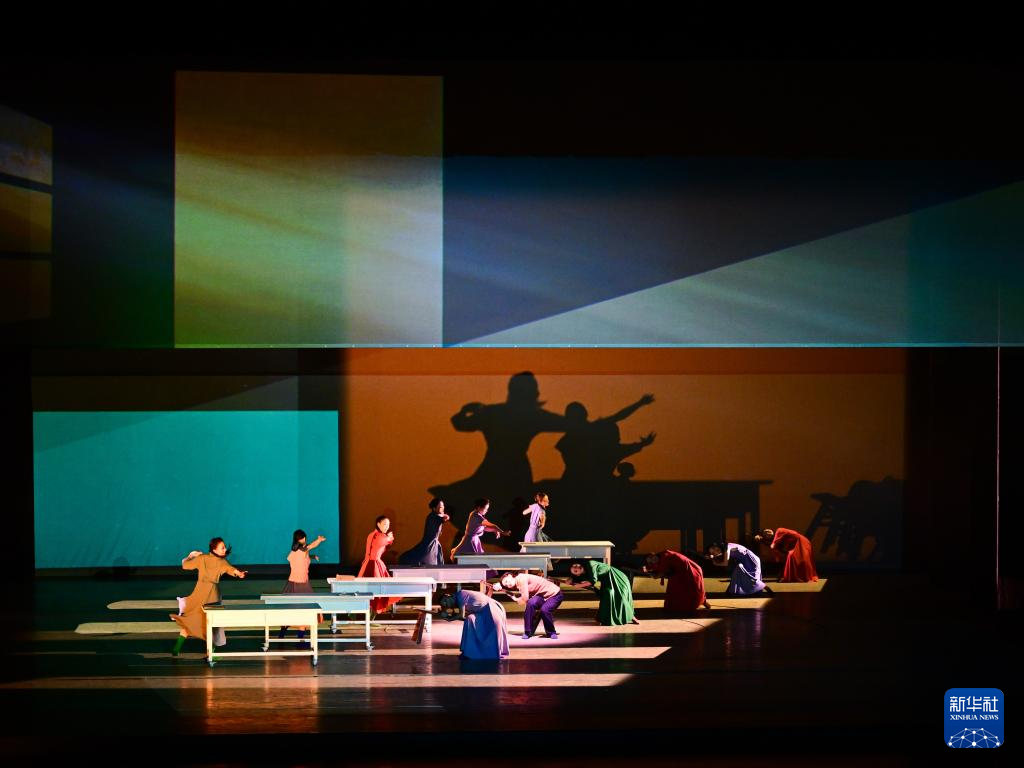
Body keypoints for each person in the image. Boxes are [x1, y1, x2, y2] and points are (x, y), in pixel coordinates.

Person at [169, 537, 246, 656]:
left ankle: (178, 649)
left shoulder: (205, 559)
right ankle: (210, 654)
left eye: (224, 547)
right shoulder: (214, 560)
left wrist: (190, 556)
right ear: (214, 549)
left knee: (190, 622)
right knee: (210, 625)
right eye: (222, 548)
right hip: (211, 596)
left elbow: (185, 565)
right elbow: (231, 570)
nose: (225, 549)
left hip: (200, 594)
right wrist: (239, 574)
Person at [277, 529, 327, 646]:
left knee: (290, 611)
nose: (304, 540)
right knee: (305, 611)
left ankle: (281, 636)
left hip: (292, 583)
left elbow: (303, 557)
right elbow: (311, 546)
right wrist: (319, 540)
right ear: (301, 539)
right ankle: (299, 641)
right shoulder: (303, 549)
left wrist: (312, 556)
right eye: (303, 538)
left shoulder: (295, 551)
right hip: (301, 584)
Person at [561, 560, 639, 625]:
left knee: (621, 596)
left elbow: (592, 581)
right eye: (575, 570)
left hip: (616, 577)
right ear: (578, 574)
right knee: (607, 596)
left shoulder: (590, 564)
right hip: (606, 581)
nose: (575, 568)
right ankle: (602, 618)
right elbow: (578, 579)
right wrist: (570, 579)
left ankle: (632, 616)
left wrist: (579, 585)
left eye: (575, 566)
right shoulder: (584, 574)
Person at [439, 589, 510, 659]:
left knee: (490, 629)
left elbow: (461, 616)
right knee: (470, 619)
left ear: (448, 595)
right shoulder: (459, 600)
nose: (448, 604)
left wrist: (449, 618)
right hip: (482, 613)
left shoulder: (460, 594)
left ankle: (488, 651)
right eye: (446, 605)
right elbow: (464, 618)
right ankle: (470, 651)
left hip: (491, 608)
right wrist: (451, 617)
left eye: (445, 600)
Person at [497, 571, 563, 639]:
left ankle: (551, 632)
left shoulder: (521, 578)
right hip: (542, 597)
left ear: (509, 575)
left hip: (555, 595)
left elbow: (524, 599)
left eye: (507, 581)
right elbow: (522, 599)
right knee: (531, 603)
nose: (508, 584)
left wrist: (515, 598)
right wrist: (502, 589)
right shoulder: (517, 583)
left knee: (544, 610)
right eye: (506, 585)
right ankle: (528, 632)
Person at [359, 515, 401, 614]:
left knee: (374, 590)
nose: (387, 527)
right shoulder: (378, 536)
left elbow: (384, 545)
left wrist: (388, 539)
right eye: (385, 524)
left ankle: (371, 614)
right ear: (378, 524)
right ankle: (370, 613)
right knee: (375, 590)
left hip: (372, 563)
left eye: (388, 524)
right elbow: (382, 541)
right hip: (373, 565)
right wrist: (389, 538)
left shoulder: (374, 534)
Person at [643, 550, 710, 612]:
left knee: (695, 588)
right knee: (677, 591)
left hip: (690, 569)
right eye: (651, 561)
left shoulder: (664, 556)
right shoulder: (660, 558)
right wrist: (648, 571)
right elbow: (656, 570)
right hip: (679, 573)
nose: (653, 560)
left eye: (651, 557)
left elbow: (658, 575)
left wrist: (649, 573)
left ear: (654, 554)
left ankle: (702, 601)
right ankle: (701, 602)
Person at [706, 541, 772, 597]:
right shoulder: (725, 548)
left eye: (715, 549)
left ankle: (764, 587)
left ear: (717, 546)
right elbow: (719, 555)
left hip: (751, 559)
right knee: (741, 572)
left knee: (748, 575)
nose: (715, 551)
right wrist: (713, 557)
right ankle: (732, 591)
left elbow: (725, 563)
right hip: (746, 560)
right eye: (713, 552)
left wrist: (714, 561)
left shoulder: (727, 547)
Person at [399, 498, 450, 566]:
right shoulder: (432, 516)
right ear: (434, 508)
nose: (443, 508)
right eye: (440, 507)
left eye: (443, 506)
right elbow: (441, 519)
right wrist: (445, 517)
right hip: (429, 544)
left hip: (434, 544)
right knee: (423, 559)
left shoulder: (437, 516)